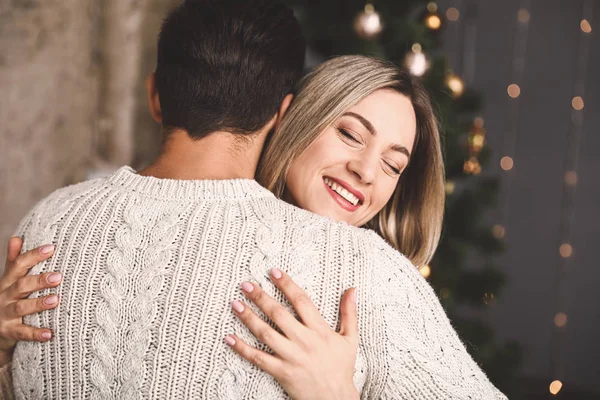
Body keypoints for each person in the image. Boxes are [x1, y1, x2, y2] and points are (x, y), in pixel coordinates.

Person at [0, 0, 506, 399]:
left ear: (155, 95)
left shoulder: (51, 221)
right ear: (287, 116)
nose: (367, 171)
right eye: (350, 134)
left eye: (396, 165)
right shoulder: (361, 269)